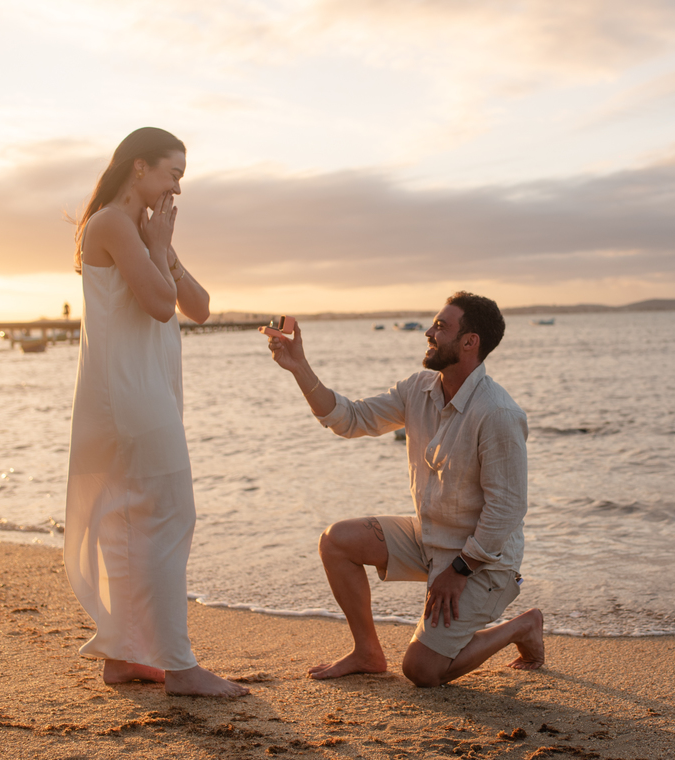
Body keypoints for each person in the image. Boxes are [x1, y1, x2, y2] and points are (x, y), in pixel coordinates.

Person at [261, 292, 544, 687]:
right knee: (336, 541)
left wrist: (459, 571)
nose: (428, 333)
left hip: (484, 560)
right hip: (431, 537)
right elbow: (350, 419)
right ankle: (367, 653)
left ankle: (521, 627)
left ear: (470, 342)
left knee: (422, 670)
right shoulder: (418, 389)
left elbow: (507, 511)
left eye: (441, 327)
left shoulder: (498, 413)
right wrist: (299, 367)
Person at [64, 127, 247, 697]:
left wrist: (164, 248)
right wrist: (159, 244)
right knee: (170, 518)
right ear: (139, 167)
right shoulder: (113, 224)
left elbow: (201, 308)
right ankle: (181, 667)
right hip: (129, 398)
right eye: (173, 174)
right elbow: (161, 306)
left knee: (132, 526)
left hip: (139, 396)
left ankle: (121, 657)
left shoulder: (142, 228)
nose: (178, 188)